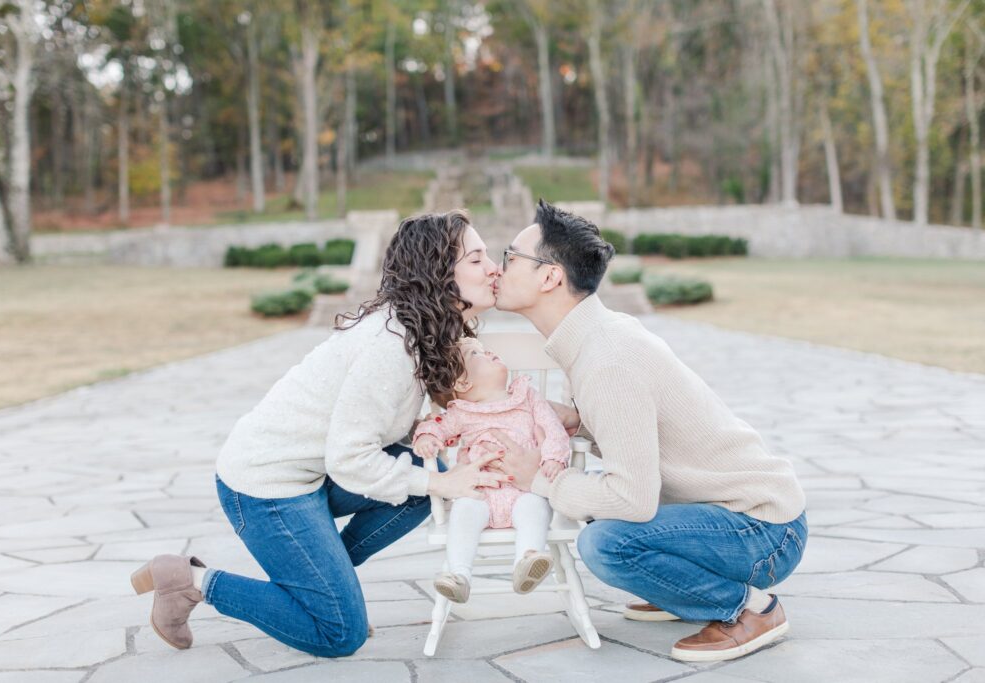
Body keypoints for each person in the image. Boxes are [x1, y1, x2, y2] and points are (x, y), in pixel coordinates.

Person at [129, 210, 511, 657]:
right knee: (337, 634)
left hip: (315, 473)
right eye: (476, 259)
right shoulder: (390, 348)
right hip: (265, 487)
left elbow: (395, 431)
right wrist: (442, 481)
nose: (493, 268)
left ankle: (323, 584)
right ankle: (188, 581)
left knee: (420, 486)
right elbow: (350, 458)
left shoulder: (423, 332)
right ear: (437, 274)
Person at [488, 199, 808, 663]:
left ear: (549, 276)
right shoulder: (597, 337)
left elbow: (633, 499)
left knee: (607, 542)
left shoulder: (607, 358)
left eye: (510, 257)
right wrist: (579, 421)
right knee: (599, 512)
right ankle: (682, 586)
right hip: (737, 515)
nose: (500, 269)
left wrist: (539, 478)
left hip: (764, 530)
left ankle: (750, 610)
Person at [412, 337, 569, 603]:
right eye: (477, 353)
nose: (489, 352)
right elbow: (437, 426)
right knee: (463, 513)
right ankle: (459, 575)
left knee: (535, 507)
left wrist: (554, 458)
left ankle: (528, 558)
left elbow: (552, 427)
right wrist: (427, 438)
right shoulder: (461, 411)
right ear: (463, 383)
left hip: (524, 488)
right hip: (479, 491)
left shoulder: (527, 396)